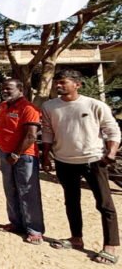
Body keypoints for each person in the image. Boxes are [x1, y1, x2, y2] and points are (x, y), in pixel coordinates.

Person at [42, 69, 121, 264]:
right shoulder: (49, 106)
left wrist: (110, 153)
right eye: (56, 82)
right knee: (71, 201)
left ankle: (110, 245)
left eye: (63, 82)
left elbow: (112, 130)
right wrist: (45, 155)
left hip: (93, 161)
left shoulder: (94, 105)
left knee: (104, 204)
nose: (58, 85)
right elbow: (47, 132)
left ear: (77, 84)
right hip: (64, 161)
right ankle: (76, 238)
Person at [0, 79, 44, 245]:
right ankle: (16, 223)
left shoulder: (29, 108)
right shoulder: (3, 106)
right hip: (5, 153)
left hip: (23, 156)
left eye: (8, 88)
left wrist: (16, 154)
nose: (5, 91)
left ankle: (34, 230)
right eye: (3, 88)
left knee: (28, 192)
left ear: (20, 89)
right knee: (10, 189)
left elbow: (31, 135)